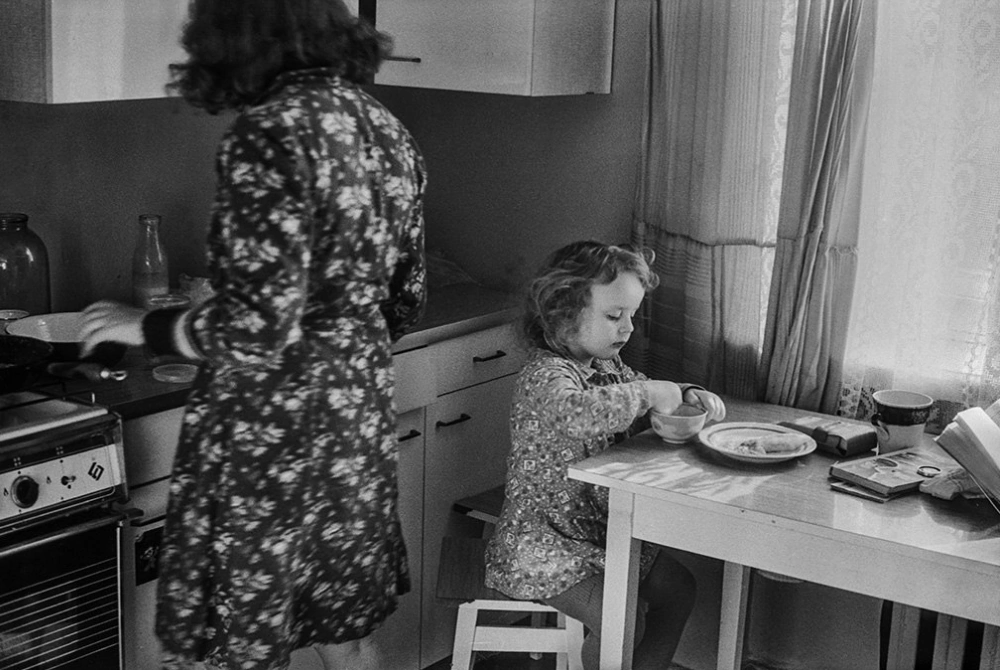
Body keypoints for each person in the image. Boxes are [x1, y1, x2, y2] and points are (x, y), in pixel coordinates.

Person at [79, 2, 427, 668]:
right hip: (355, 417)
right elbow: (404, 298)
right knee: (345, 630)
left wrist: (141, 323)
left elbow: (256, 329)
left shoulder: (267, 133)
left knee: (239, 635)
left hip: (270, 434)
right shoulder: (385, 127)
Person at [484, 240, 726, 670]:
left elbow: (640, 394)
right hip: (542, 544)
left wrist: (684, 394)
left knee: (680, 590)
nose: (628, 328)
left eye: (631, 315)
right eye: (614, 316)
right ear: (562, 316)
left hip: (596, 534)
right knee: (622, 616)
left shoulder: (608, 368)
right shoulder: (545, 375)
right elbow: (578, 413)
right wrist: (648, 393)